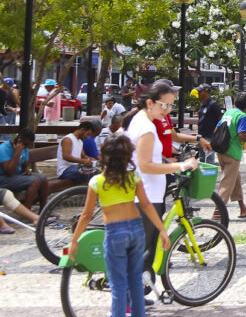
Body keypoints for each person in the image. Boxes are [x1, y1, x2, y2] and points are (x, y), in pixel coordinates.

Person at [69, 134, 173, 317]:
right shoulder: (133, 177)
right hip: (136, 230)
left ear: (104, 156)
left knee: (118, 287)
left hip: (115, 233)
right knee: (135, 284)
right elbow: (147, 205)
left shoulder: (97, 182)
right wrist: (162, 230)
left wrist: (74, 240)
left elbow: (86, 215)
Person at [127, 80, 198, 285]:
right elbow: (146, 165)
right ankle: (134, 298)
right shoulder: (147, 128)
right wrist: (180, 166)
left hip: (146, 193)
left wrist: (168, 161)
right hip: (146, 196)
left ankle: (139, 293)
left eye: (170, 106)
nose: (167, 111)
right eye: (163, 105)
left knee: (144, 248)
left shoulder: (141, 120)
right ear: (150, 102)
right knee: (144, 249)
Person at [214, 92, 246, 218]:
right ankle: (217, 213)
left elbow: (216, 130)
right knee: (226, 183)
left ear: (235, 103)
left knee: (236, 180)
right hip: (232, 153)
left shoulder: (228, 113)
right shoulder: (241, 116)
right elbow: (242, 136)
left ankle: (243, 208)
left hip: (221, 151)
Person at [0, 130, 49, 210]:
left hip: (16, 176)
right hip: (3, 178)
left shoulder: (24, 148)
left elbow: (24, 166)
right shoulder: (3, 149)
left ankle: (44, 211)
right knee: (34, 181)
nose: (26, 147)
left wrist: (27, 170)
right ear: (19, 140)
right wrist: (17, 152)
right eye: (26, 144)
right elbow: (9, 172)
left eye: (28, 145)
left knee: (43, 178)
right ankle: (26, 212)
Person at [195, 84, 223, 164]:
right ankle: (203, 176)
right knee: (202, 159)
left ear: (206, 91)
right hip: (201, 136)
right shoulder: (202, 105)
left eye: (200, 91)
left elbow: (220, 120)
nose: (198, 92)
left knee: (209, 160)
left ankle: (209, 176)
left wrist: (217, 133)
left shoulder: (213, 104)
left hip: (210, 137)